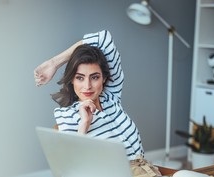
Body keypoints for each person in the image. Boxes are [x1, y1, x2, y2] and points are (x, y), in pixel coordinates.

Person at [34, 30, 144, 160]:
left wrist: (54, 63)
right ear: (72, 80)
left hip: (146, 173)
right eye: (80, 78)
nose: (87, 86)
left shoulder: (111, 96)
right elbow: (71, 166)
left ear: (103, 78)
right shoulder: (67, 116)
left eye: (95, 77)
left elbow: (103, 38)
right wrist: (84, 124)